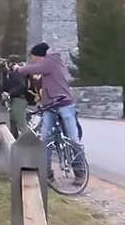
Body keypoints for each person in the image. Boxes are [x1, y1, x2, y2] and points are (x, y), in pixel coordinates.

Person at [15, 42, 84, 183]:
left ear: (40, 56)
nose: (32, 60)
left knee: (73, 138)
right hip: (49, 106)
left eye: (33, 57)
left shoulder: (51, 61)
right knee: (45, 139)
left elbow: (34, 68)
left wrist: (18, 68)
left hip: (64, 104)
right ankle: (46, 172)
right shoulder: (47, 65)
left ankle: (80, 172)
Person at [1, 55, 30, 138]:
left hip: (19, 100)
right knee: (13, 123)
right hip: (14, 100)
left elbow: (21, 85)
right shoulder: (11, 73)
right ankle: (16, 144)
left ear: (12, 63)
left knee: (21, 125)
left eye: (7, 63)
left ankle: (30, 146)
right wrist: (3, 73)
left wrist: (9, 93)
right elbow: (6, 86)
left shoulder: (18, 72)